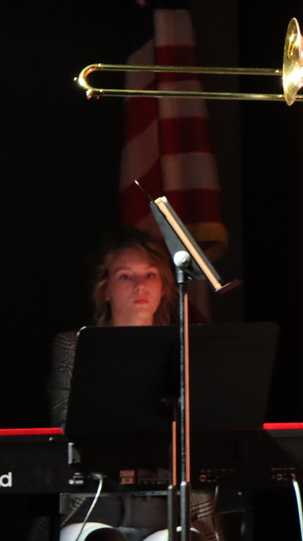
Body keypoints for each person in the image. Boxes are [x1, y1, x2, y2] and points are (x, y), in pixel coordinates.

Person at [46, 227, 222, 541]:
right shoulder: (74, 345)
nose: (140, 285)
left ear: (165, 286)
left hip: (172, 506)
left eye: (150, 275)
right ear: (105, 289)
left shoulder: (187, 347)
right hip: (97, 501)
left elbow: (208, 427)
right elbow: (64, 418)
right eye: (126, 276)